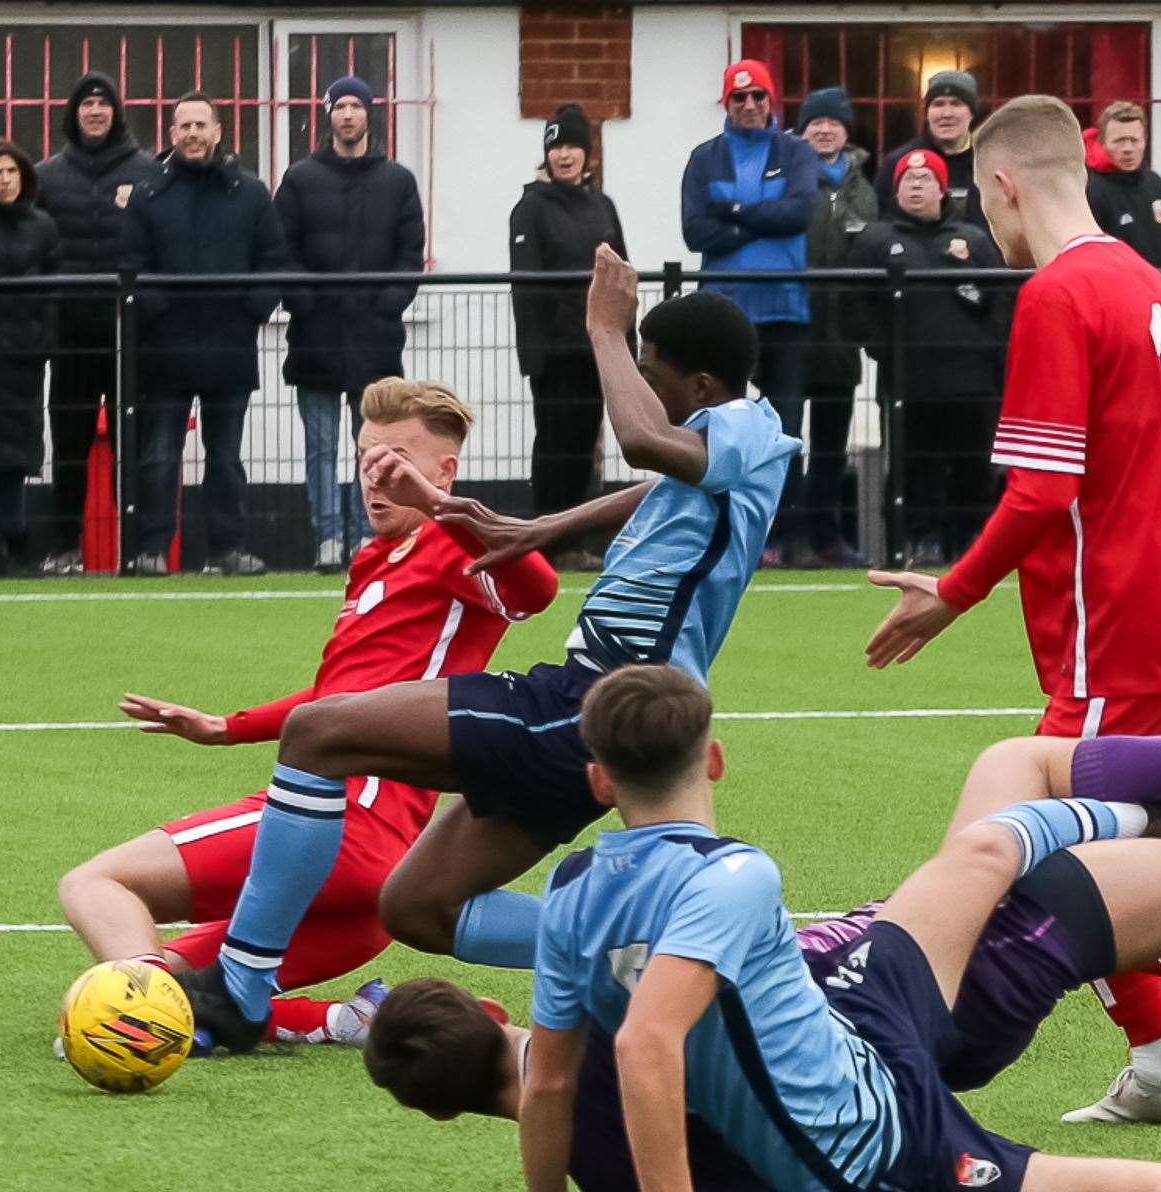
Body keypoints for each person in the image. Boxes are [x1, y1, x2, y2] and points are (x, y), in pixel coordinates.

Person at [514, 661, 1161, 1192]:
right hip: (915, 1036)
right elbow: (645, 1042)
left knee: (1014, 769)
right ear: (720, 760)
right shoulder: (733, 876)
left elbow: (569, 1062)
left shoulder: (580, 889)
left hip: (877, 979)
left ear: (599, 781)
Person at [172, 246, 798, 1055]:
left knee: (316, 733)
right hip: (596, 701)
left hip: (595, 699)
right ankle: (648, 962)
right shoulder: (741, 436)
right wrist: (546, 525)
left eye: (653, 372)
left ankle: (239, 989)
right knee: (417, 908)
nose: (640, 384)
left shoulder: (737, 427)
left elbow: (645, 445)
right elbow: (662, 481)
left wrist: (606, 330)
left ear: (701, 388)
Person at [866, 95, 1161, 1125]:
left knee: (1042, 854)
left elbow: (1041, 491)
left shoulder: (1059, 294)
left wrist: (951, 592)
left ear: (1001, 186)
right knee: (1078, 849)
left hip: (1116, 622)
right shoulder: (1148, 276)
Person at [55, 378, 559, 1048]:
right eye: (366, 461)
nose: (378, 480)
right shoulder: (377, 557)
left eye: (397, 463)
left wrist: (438, 508)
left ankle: (142, 1016)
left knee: (95, 884)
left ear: (443, 470)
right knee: (171, 981)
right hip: (371, 887)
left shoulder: (450, 544)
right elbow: (336, 699)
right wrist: (224, 726)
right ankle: (349, 1018)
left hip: (343, 825)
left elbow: (536, 589)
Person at [120, 91, 288, 577]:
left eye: (201, 125)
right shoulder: (148, 195)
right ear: (171, 136)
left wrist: (251, 312)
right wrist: (159, 313)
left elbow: (273, 261)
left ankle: (227, 549)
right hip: (164, 352)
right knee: (158, 459)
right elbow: (131, 265)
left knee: (226, 459)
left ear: (218, 132)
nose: (192, 134)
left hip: (229, 349)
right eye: (183, 127)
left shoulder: (252, 194)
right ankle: (150, 551)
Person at [274, 75, 424, 573]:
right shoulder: (298, 180)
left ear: (369, 114)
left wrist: (387, 304)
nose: (348, 115)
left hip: (376, 343)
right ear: (328, 115)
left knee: (377, 450)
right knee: (320, 447)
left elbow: (409, 255)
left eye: (356, 106)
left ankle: (367, 537)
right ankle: (328, 539)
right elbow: (282, 251)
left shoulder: (398, 181)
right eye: (340, 107)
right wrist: (305, 301)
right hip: (315, 339)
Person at [680, 59, 818, 566]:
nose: (750, 105)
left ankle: (785, 536)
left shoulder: (796, 152)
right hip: (723, 313)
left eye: (759, 95)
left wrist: (734, 214)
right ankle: (717, 533)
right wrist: (763, 220)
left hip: (785, 308)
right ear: (726, 103)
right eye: (739, 97)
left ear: (772, 100)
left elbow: (801, 211)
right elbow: (695, 231)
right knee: (717, 425)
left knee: (785, 425)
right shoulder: (704, 158)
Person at [849, 147, 1007, 562]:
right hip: (909, 380)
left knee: (974, 465)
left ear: (943, 190)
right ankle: (919, 540)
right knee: (914, 465)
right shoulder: (876, 240)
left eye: (926, 179)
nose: (916, 186)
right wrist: (886, 347)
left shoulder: (974, 241)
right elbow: (854, 306)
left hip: (973, 382)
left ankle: (972, 541)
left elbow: (1002, 303)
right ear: (895, 190)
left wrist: (991, 353)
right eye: (907, 180)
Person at [34, 72, 158, 577]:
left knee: (137, 446)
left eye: (103, 103)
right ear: (73, 113)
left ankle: (134, 550)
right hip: (68, 336)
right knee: (68, 445)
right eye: (86, 103)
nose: (95, 111)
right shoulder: (45, 175)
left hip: (131, 336)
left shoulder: (149, 171)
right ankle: (66, 547)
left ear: (116, 113)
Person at [510, 102, 630, 570]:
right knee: (554, 442)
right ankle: (548, 539)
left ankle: (577, 539)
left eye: (572, 146)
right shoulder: (530, 209)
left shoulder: (603, 206)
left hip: (596, 347)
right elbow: (525, 285)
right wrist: (533, 354)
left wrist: (625, 340)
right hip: (554, 351)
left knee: (585, 444)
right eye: (556, 146)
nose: (564, 155)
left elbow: (622, 272)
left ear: (587, 153)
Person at [798, 86, 877, 567]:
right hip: (788, 333)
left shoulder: (866, 191)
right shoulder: (785, 178)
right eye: (814, 122)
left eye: (832, 122)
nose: (823, 129)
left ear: (846, 131)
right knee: (779, 444)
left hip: (841, 340)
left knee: (830, 446)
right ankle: (780, 536)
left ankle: (825, 536)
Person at [0, 140, 60, 576]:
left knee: (17, 451)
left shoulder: (43, 227)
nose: (3, 180)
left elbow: (54, 293)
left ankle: (13, 535)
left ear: (24, 176)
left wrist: (40, 340)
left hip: (24, 359)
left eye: (10, 172)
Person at [877, 69, 990, 235]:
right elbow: (880, 229)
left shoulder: (991, 164)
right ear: (927, 113)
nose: (946, 114)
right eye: (938, 104)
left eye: (956, 103)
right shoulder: (898, 163)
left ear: (972, 112)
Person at [1084, 100, 1161, 272]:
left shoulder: (1154, 182)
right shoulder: (1092, 189)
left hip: (1160, 291)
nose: (1128, 148)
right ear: (1102, 142)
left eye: (1134, 140)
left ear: (1145, 141)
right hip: (1116, 292)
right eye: (1119, 141)